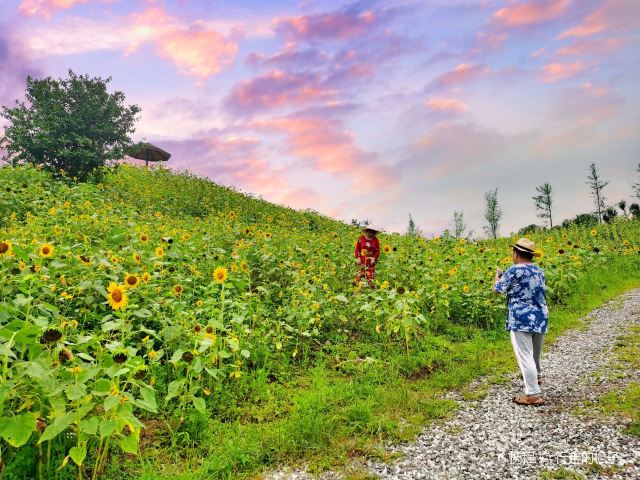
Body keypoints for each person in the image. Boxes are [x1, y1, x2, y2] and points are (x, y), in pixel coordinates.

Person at [493, 237, 548, 406]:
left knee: (525, 356)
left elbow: (497, 290)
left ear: (516, 254)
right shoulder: (539, 271)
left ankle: (532, 395)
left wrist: (497, 277)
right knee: (535, 353)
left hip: (521, 318)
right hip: (540, 316)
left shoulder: (513, 270)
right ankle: (536, 377)